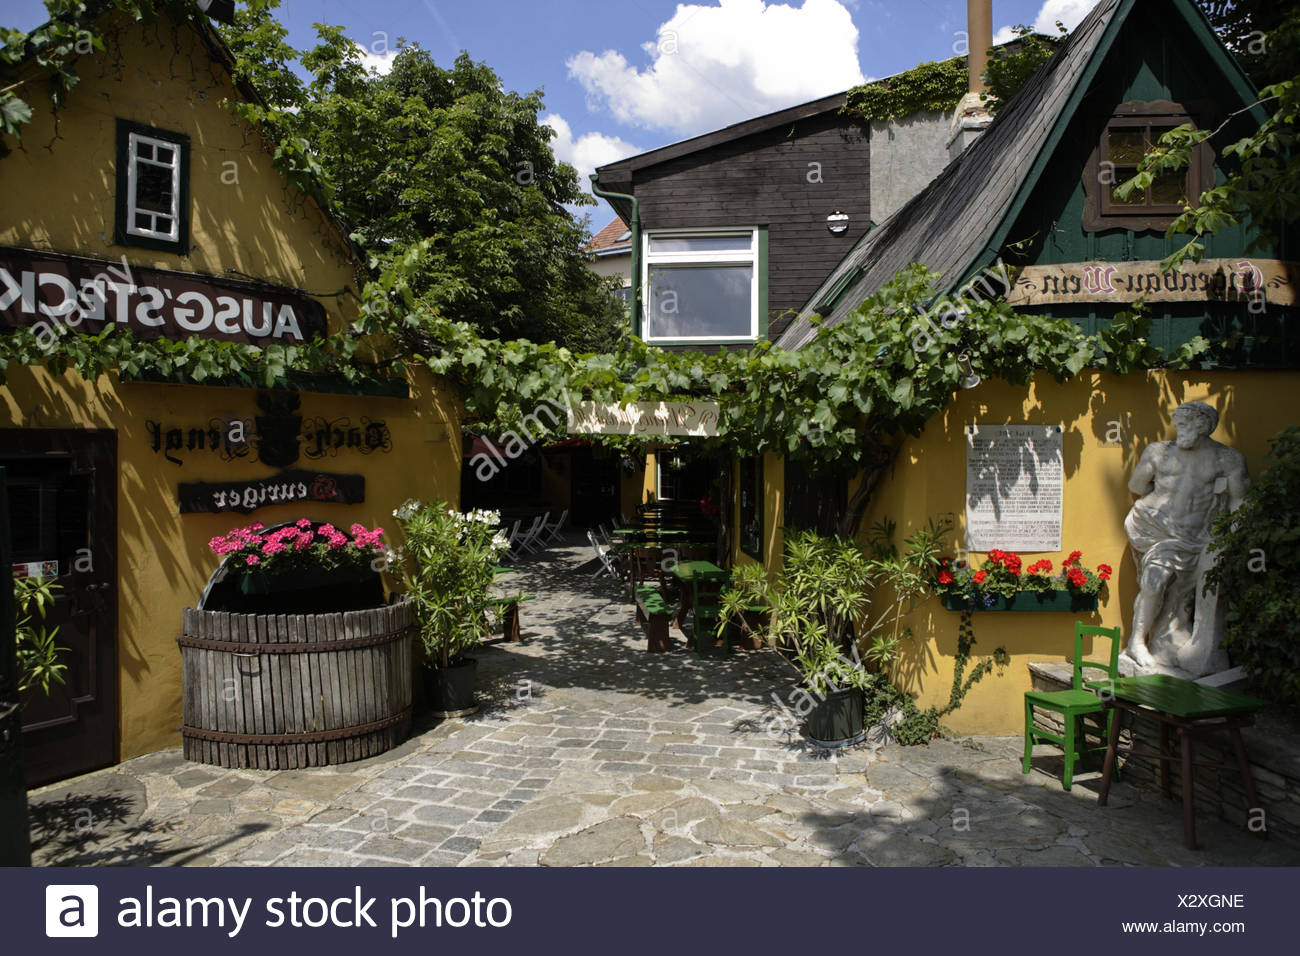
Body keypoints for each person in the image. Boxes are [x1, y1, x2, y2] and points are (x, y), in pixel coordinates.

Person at [1123, 401, 1249, 676]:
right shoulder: (1158, 453)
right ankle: (1136, 641)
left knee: (1183, 593)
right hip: (1156, 528)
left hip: (1199, 536)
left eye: (1183, 425)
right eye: (1177, 423)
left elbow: (1239, 502)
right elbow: (1136, 486)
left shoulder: (1227, 460)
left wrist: (1233, 539)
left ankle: (1172, 642)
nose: (1178, 430)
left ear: (1203, 426)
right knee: (1154, 583)